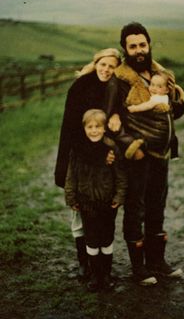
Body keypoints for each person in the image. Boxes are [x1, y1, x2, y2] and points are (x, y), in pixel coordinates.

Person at [113, 22, 184, 285]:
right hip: (138, 157)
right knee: (136, 208)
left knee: (158, 206)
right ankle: (139, 269)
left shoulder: (160, 74)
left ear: (149, 44)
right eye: (133, 46)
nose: (139, 50)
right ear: (125, 49)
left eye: (142, 44)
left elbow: (171, 111)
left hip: (162, 155)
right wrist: (132, 146)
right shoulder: (119, 80)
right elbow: (115, 120)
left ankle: (158, 263)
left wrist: (177, 99)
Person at [54, 48, 122, 279]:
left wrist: (116, 116)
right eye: (103, 64)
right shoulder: (81, 85)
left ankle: (99, 264)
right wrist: (97, 155)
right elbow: (72, 128)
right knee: (80, 213)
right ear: (96, 63)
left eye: (112, 66)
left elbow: (114, 115)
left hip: (102, 162)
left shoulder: (113, 87)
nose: (106, 69)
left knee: (99, 214)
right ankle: (84, 262)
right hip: (78, 156)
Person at [64, 109, 127, 291]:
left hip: (107, 202)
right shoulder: (78, 148)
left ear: (104, 128)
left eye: (97, 126)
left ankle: (106, 275)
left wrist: (119, 196)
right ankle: (94, 275)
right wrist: (71, 196)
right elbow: (71, 175)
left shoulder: (111, 147)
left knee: (106, 237)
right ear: (84, 128)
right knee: (91, 239)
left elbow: (120, 175)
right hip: (86, 202)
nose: (94, 130)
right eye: (90, 127)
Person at [127, 70, 184, 159]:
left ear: (167, 90)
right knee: (173, 139)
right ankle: (174, 155)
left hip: (160, 131)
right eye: (152, 84)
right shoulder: (166, 98)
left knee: (149, 140)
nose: (154, 88)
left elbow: (147, 106)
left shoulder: (157, 98)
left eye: (159, 86)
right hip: (170, 132)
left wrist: (134, 108)